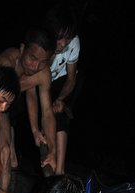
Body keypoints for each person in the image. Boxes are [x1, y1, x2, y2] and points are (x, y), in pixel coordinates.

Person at [0, 26, 57, 191]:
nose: (35, 66)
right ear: (22, 49)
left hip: (5, 107)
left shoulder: (43, 74)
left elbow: (48, 113)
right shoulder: (6, 62)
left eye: (43, 62)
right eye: (32, 58)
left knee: (7, 153)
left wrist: (51, 150)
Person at [41, 2, 81, 174]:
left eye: (68, 38)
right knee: (46, 115)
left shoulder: (73, 43)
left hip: (61, 83)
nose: (64, 43)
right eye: (60, 37)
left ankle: (60, 170)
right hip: (42, 81)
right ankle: (50, 156)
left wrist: (60, 99)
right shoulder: (43, 42)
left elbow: (71, 78)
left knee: (61, 114)